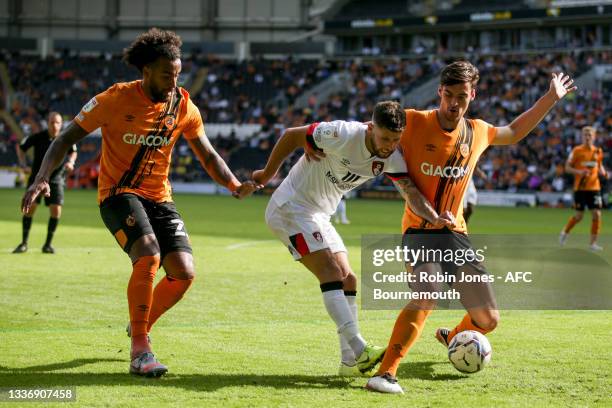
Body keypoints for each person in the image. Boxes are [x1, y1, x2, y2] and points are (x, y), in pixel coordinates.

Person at [22, 28, 260, 377]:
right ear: (146, 70)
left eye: (178, 73)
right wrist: (41, 177)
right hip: (118, 194)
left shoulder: (183, 106)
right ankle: (141, 349)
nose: (174, 80)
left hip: (159, 197)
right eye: (167, 74)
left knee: (183, 273)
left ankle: (139, 322)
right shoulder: (114, 99)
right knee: (148, 254)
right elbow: (64, 139)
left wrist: (235, 185)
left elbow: (207, 154)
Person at [365, 61, 576, 394]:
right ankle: (386, 372)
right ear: (439, 92)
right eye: (448, 95)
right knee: (428, 294)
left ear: (472, 95)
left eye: (461, 97)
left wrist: (550, 98)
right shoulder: (414, 122)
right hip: (419, 230)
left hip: (456, 235)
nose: (453, 104)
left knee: (488, 320)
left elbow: (515, 131)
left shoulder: (477, 131)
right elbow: (369, 129)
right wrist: (318, 144)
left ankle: (453, 335)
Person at [253, 101, 453, 377]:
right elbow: (291, 135)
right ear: (370, 128)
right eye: (384, 138)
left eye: (396, 140)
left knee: (349, 279)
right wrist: (266, 175)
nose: (389, 145)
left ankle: (349, 363)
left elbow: (410, 191)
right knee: (331, 272)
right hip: (291, 207)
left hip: (319, 215)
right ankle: (359, 349)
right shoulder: (343, 134)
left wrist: (433, 217)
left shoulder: (392, 157)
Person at [13, 112, 77, 254]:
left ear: (61, 125)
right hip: (37, 178)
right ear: (47, 123)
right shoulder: (38, 137)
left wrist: (71, 162)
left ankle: (47, 245)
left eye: (57, 123)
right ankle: (23, 243)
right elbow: (21, 147)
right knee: (30, 209)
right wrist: (23, 164)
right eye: (52, 122)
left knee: (56, 211)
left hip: (56, 179)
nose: (55, 125)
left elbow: (73, 151)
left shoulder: (65, 138)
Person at [559, 126, 607, 251]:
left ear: (594, 137)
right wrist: (579, 172)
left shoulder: (598, 151)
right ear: (581, 137)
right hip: (580, 188)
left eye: (590, 135)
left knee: (597, 214)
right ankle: (565, 232)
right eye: (585, 135)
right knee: (579, 216)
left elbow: (599, 166)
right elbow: (567, 168)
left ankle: (592, 244)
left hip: (594, 187)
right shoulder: (576, 151)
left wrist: (604, 172)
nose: (587, 137)